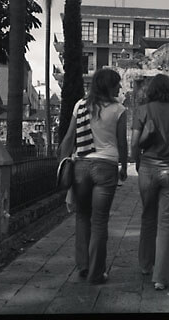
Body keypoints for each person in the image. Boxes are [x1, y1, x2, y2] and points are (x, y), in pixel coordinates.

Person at [59, 68, 128, 284]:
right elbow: (122, 143)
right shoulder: (119, 110)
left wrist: (62, 165)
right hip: (106, 166)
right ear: (108, 86)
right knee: (99, 221)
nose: (120, 88)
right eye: (117, 84)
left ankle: (83, 266)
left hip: (81, 166)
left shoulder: (80, 105)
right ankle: (96, 274)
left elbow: (69, 137)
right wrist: (124, 167)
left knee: (82, 217)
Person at [131, 74, 169, 291]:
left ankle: (146, 264)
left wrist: (138, 163)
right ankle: (160, 278)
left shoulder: (143, 110)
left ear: (151, 89)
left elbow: (134, 145)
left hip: (148, 167)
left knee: (148, 217)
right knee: (166, 224)